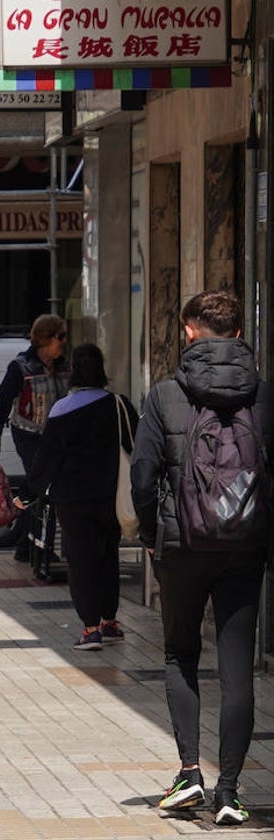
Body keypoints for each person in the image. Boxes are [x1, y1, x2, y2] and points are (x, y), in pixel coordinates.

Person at [131, 290, 272, 826]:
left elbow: (143, 477)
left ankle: (189, 773)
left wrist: (149, 533)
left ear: (190, 332)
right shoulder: (264, 396)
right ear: (239, 332)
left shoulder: (165, 395)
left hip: (181, 545)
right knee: (237, 669)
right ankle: (231, 792)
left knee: (179, 654)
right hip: (245, 547)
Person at [23, 343, 138, 651]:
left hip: (72, 500)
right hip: (111, 497)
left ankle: (90, 629)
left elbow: (47, 458)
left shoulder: (62, 409)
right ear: (101, 369)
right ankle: (109, 621)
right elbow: (137, 446)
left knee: (81, 561)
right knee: (107, 556)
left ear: (74, 369)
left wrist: (28, 493)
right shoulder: (120, 404)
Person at [0, 314, 70, 562]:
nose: (64, 343)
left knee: (38, 490)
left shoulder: (65, 365)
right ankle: (41, 549)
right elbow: (1, 404)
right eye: (61, 337)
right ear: (47, 338)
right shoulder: (21, 367)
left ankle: (26, 545)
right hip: (29, 436)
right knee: (43, 488)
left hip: (56, 438)